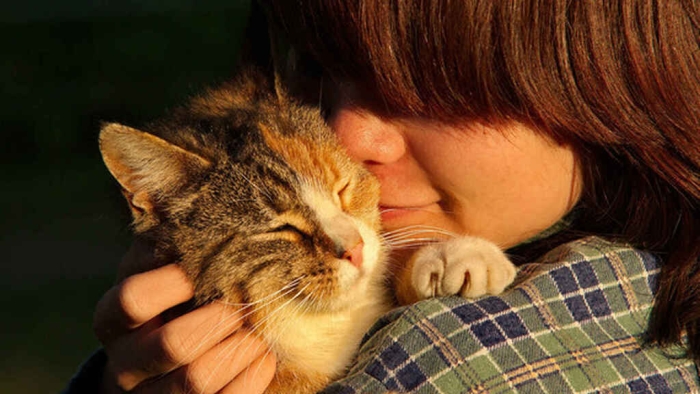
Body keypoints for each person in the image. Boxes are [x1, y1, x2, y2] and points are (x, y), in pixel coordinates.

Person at [65, 0, 699, 393]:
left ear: (609, 71)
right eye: (314, 66)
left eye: (423, 84)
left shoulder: (451, 367)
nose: (344, 136)